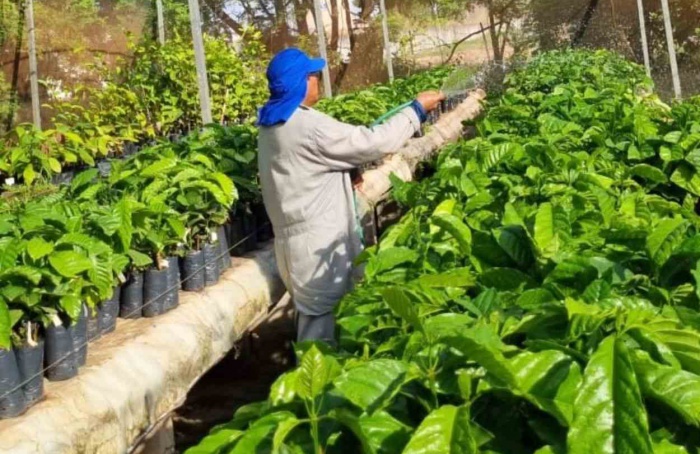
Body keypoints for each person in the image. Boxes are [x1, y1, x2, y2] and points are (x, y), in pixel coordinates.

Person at [257, 48, 444, 345]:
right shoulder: (307, 125)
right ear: (301, 82)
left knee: (331, 320)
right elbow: (375, 142)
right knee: (320, 336)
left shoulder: (274, 124)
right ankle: (315, 388)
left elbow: (307, 167)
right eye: (315, 75)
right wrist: (416, 110)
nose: (319, 80)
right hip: (318, 249)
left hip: (298, 245)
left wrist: (346, 170)